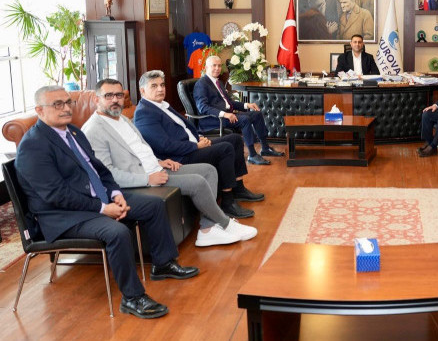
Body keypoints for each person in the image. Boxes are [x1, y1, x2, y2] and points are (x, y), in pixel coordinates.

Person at [15, 85, 199, 319]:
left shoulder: (73, 132)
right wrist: (103, 208)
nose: (66, 108)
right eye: (57, 104)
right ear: (39, 110)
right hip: (63, 215)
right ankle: (132, 298)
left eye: (68, 102)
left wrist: (115, 193)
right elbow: (56, 195)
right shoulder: (33, 146)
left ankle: (162, 264)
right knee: (117, 232)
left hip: (95, 199)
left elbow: (100, 170)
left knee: (153, 205)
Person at [83, 79, 257, 247]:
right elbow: (107, 174)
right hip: (142, 180)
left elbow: (141, 149)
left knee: (208, 170)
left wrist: (160, 161)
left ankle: (207, 228)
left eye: (119, 95)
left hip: (157, 167)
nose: (115, 100)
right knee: (197, 182)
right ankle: (225, 223)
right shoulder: (93, 130)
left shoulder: (122, 119)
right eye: (109, 96)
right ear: (97, 99)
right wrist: (147, 179)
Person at [133, 70, 262, 220]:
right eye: (154, 86)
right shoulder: (144, 113)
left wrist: (198, 137)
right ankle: (227, 203)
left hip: (192, 144)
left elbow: (184, 127)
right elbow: (164, 146)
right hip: (179, 156)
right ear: (143, 91)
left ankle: (239, 189)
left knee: (235, 139)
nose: (160, 89)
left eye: (162, 85)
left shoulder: (161, 105)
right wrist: (196, 146)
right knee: (225, 149)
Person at [194, 55, 284, 164]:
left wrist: (247, 105)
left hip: (226, 115)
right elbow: (202, 107)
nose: (217, 68)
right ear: (206, 67)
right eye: (214, 65)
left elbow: (229, 103)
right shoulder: (201, 84)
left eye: (219, 66)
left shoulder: (218, 82)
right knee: (244, 120)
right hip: (213, 120)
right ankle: (252, 155)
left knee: (256, 114)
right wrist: (224, 114)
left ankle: (265, 148)